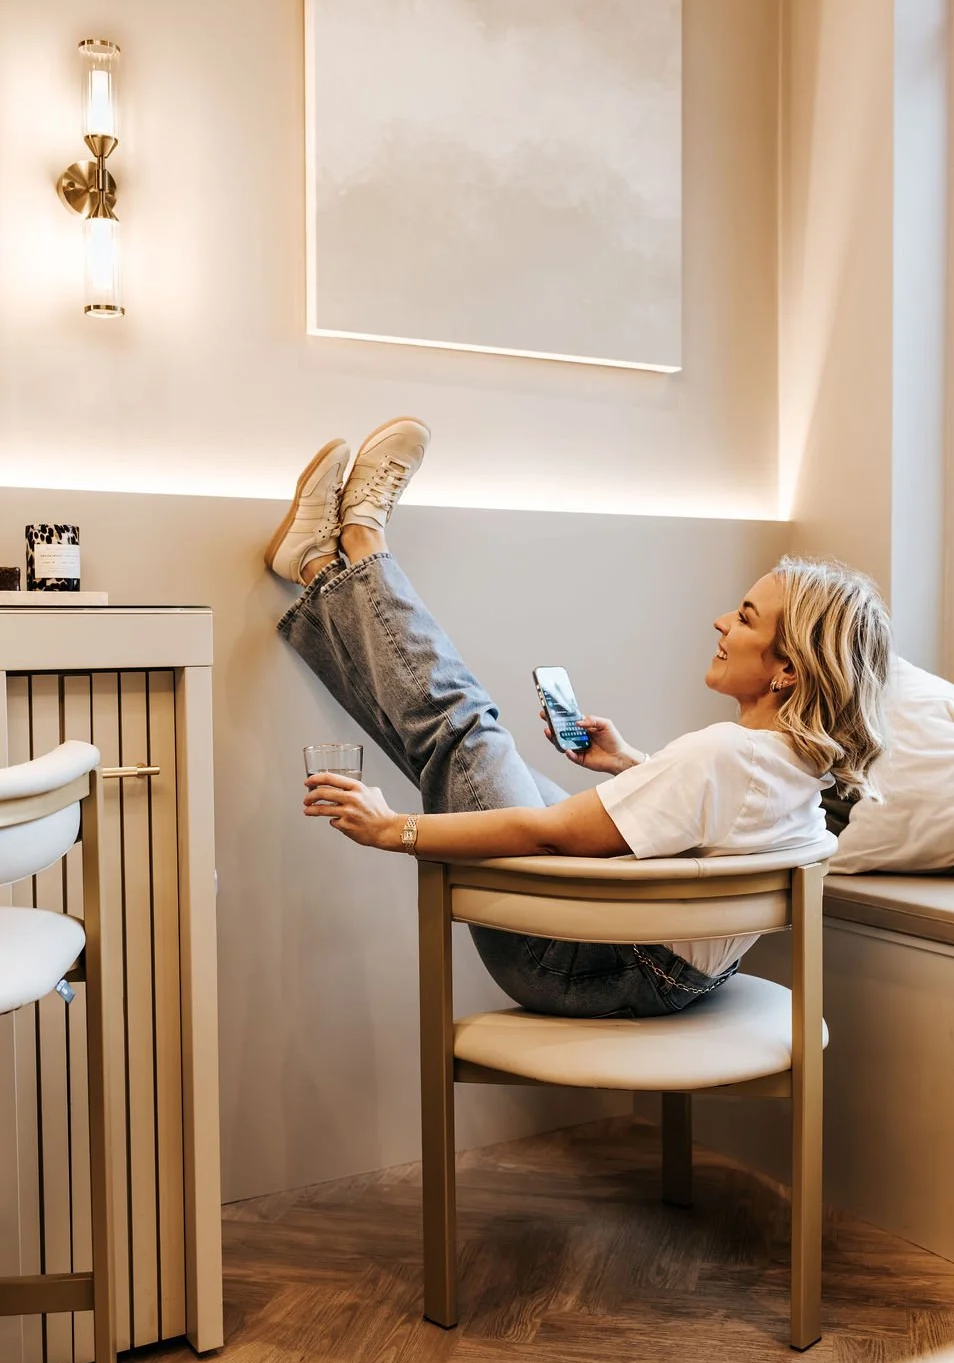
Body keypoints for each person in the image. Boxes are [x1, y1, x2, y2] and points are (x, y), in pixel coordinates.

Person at [266, 418, 893, 1019]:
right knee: (462, 756)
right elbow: (729, 821)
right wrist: (630, 765)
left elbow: (550, 836)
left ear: (789, 669)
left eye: (747, 618)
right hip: (655, 968)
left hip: (572, 962)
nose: (722, 623)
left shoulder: (727, 752)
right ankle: (318, 567)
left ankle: (359, 539)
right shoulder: (798, 765)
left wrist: (392, 830)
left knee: (464, 728)